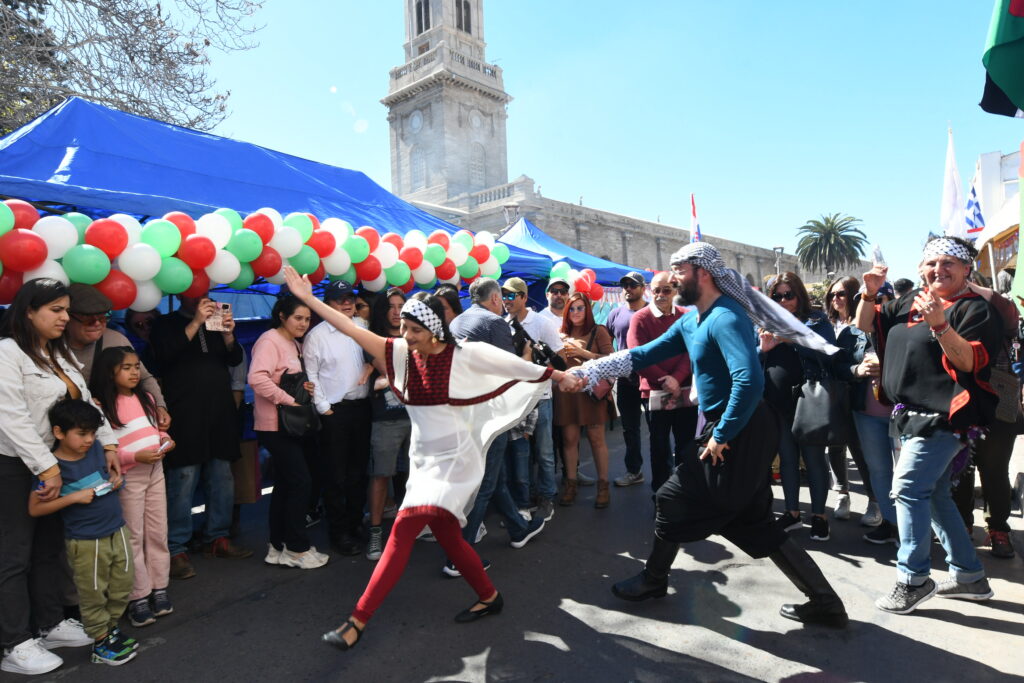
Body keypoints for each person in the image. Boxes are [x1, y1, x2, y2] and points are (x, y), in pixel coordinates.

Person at [280, 267, 575, 651]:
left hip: (455, 458)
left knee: (404, 528)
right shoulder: (401, 353)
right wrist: (309, 299)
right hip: (423, 459)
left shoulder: (464, 356)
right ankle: (489, 596)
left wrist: (557, 375)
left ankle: (358, 620)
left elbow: (514, 366)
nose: (406, 336)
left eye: (414, 330)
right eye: (403, 328)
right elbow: (354, 329)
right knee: (448, 534)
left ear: (434, 329)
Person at [574, 242, 847, 628]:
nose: (668, 278)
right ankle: (825, 601)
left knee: (670, 497)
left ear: (703, 272)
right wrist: (588, 373)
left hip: (739, 430)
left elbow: (748, 381)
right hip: (735, 429)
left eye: (677, 269)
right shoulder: (692, 320)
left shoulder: (725, 317)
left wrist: (721, 435)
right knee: (753, 522)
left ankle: (654, 580)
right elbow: (640, 356)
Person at [856, 236, 1001, 613]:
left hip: (947, 416)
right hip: (909, 412)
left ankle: (913, 579)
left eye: (948, 263)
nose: (939, 270)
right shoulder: (908, 301)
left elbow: (970, 362)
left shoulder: (975, 310)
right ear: (921, 269)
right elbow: (865, 324)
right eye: (931, 263)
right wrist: (869, 294)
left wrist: (939, 324)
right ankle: (970, 577)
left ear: (967, 269)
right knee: (933, 495)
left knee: (906, 488)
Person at [0, 278, 114, 676]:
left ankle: (49, 624)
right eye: (57, 310)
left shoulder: (55, 354)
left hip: (53, 465)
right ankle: (14, 642)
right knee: (14, 555)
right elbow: (10, 417)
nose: (66, 318)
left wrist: (110, 445)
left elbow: (86, 404)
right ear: (29, 311)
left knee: (49, 548)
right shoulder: (7, 353)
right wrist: (45, 466)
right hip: (15, 467)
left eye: (67, 310)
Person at [27, 399, 138, 667]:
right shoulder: (52, 466)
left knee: (123, 584)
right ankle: (100, 643)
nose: (89, 440)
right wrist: (73, 498)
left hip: (116, 527)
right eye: (81, 434)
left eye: (91, 433)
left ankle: (109, 630)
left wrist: (115, 480)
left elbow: (106, 477)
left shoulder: (97, 450)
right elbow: (35, 508)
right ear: (58, 432)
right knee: (93, 593)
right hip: (86, 540)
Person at [447, 278, 546, 576]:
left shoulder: (457, 322)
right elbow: (509, 370)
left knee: (494, 477)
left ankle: (518, 528)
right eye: (500, 297)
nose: (503, 302)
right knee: (486, 481)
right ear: (493, 299)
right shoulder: (495, 322)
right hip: (488, 412)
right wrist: (527, 358)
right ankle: (458, 557)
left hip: (462, 410)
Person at [150, 293, 251, 580]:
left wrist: (230, 335)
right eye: (193, 293)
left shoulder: (217, 321)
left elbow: (233, 359)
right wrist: (196, 322)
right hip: (184, 413)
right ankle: (175, 548)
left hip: (219, 411)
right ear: (180, 293)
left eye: (204, 292)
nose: (200, 298)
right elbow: (164, 356)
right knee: (183, 479)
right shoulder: (166, 324)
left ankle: (217, 538)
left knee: (222, 476)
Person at [89, 346, 175, 629]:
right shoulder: (101, 405)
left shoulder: (147, 397)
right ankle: (138, 595)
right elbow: (105, 448)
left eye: (136, 366)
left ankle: (159, 587)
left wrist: (164, 439)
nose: (134, 372)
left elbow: (154, 430)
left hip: (155, 471)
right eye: (126, 367)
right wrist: (133, 457)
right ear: (109, 372)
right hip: (130, 477)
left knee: (158, 530)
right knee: (134, 536)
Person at [249, 296, 328, 570]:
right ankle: (296, 548)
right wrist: (288, 400)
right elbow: (257, 377)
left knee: (286, 484)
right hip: (275, 424)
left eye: (307, 319)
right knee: (300, 482)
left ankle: (277, 545)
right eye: (298, 318)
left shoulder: (293, 343)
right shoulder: (269, 340)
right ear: (282, 315)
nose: (303, 324)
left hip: (289, 424)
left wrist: (301, 388)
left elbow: (285, 377)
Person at [761, 272, 838, 542]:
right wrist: (764, 348)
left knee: (815, 459)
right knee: (788, 460)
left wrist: (793, 340)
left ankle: (819, 517)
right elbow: (754, 355)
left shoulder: (816, 320)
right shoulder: (766, 322)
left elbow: (828, 353)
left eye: (788, 295)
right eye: (777, 296)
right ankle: (792, 513)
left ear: (799, 295)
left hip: (809, 400)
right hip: (776, 400)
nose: (783, 301)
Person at [951, 279, 1020, 559]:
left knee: (995, 468)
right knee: (960, 466)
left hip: (1001, 390)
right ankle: (963, 524)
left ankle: (998, 528)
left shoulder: (997, 307)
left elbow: (1011, 315)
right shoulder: (948, 308)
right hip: (961, 391)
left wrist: (971, 287)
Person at [303, 281, 373, 557]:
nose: (346, 304)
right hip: (335, 411)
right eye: (339, 300)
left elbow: (375, 356)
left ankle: (355, 523)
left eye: (349, 299)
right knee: (336, 476)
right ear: (327, 304)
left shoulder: (362, 326)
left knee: (359, 472)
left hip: (361, 407)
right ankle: (339, 532)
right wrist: (324, 408)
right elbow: (311, 374)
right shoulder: (317, 335)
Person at [627, 271, 698, 493]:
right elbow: (637, 355)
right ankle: (661, 497)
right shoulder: (639, 318)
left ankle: (685, 494)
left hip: (685, 391)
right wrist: (666, 381)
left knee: (686, 446)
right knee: (659, 448)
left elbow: (691, 350)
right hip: (655, 394)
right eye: (656, 290)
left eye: (666, 290)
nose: (660, 295)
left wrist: (676, 379)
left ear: (675, 290)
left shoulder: (687, 316)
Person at [65, 285, 170, 430]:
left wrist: (159, 406)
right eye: (89, 320)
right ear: (68, 318)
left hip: (111, 427)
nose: (97, 324)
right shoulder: (50, 345)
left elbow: (144, 378)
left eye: (103, 318)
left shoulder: (115, 340)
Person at [502, 276, 564, 522]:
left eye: (510, 296)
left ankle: (547, 497)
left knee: (545, 451)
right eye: (503, 296)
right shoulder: (502, 324)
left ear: (523, 297)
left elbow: (560, 359)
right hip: (515, 399)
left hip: (541, 396)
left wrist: (539, 358)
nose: (506, 301)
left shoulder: (542, 322)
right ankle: (523, 501)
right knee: (519, 453)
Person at [824, 277, 879, 524]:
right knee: (834, 447)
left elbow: (866, 360)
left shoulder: (863, 326)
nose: (836, 299)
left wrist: (855, 371)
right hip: (830, 396)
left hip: (856, 395)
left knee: (860, 450)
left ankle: (874, 502)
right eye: (833, 294)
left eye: (842, 294)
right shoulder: (826, 325)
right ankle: (842, 494)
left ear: (853, 296)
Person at [363, 288, 412, 561]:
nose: (396, 311)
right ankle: (375, 532)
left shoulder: (413, 336)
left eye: (401, 305)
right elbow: (391, 368)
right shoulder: (374, 340)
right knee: (381, 475)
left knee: (414, 475)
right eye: (391, 306)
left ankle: (409, 528)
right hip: (385, 419)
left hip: (416, 417)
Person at [555, 292, 614, 507]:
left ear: (587, 309)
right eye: (572, 308)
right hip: (567, 395)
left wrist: (583, 353)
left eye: (580, 308)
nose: (576, 312)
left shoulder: (598, 331)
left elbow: (611, 360)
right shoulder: (560, 333)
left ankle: (603, 486)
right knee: (569, 440)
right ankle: (571, 484)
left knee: (596, 440)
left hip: (591, 394)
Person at [605, 271, 648, 488]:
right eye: (625, 285)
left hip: (651, 381)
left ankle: (667, 477)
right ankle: (634, 471)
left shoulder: (653, 311)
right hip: (625, 381)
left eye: (633, 285)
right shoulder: (615, 314)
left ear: (643, 288)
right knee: (629, 429)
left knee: (658, 430)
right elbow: (606, 343)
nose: (628, 289)